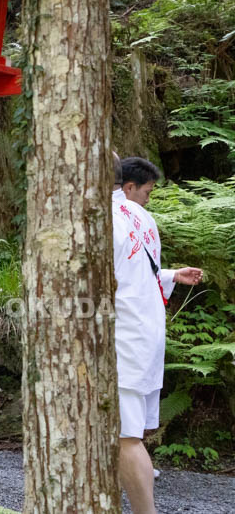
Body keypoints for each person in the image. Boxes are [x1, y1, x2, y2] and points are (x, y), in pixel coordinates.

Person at [114, 157, 202, 514]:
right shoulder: (141, 217)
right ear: (128, 187)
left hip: (125, 334)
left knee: (126, 437)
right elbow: (135, 270)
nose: (148, 198)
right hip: (144, 330)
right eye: (148, 191)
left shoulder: (105, 219)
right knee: (126, 434)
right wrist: (170, 275)